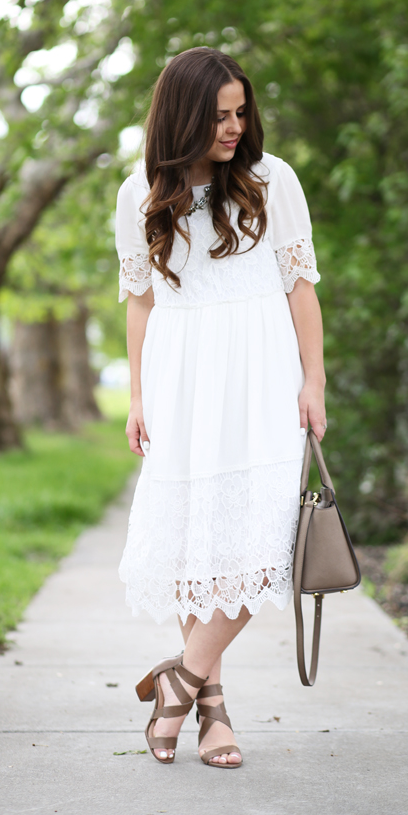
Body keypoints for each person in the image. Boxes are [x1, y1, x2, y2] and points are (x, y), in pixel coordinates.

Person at [115, 47, 326, 769]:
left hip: (263, 377)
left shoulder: (274, 181)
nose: (235, 127)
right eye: (218, 117)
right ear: (181, 120)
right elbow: (140, 301)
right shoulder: (138, 195)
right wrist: (138, 394)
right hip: (181, 379)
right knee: (195, 543)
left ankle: (177, 680)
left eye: (241, 112)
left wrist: (314, 381)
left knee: (262, 543)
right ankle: (212, 709)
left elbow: (302, 288)